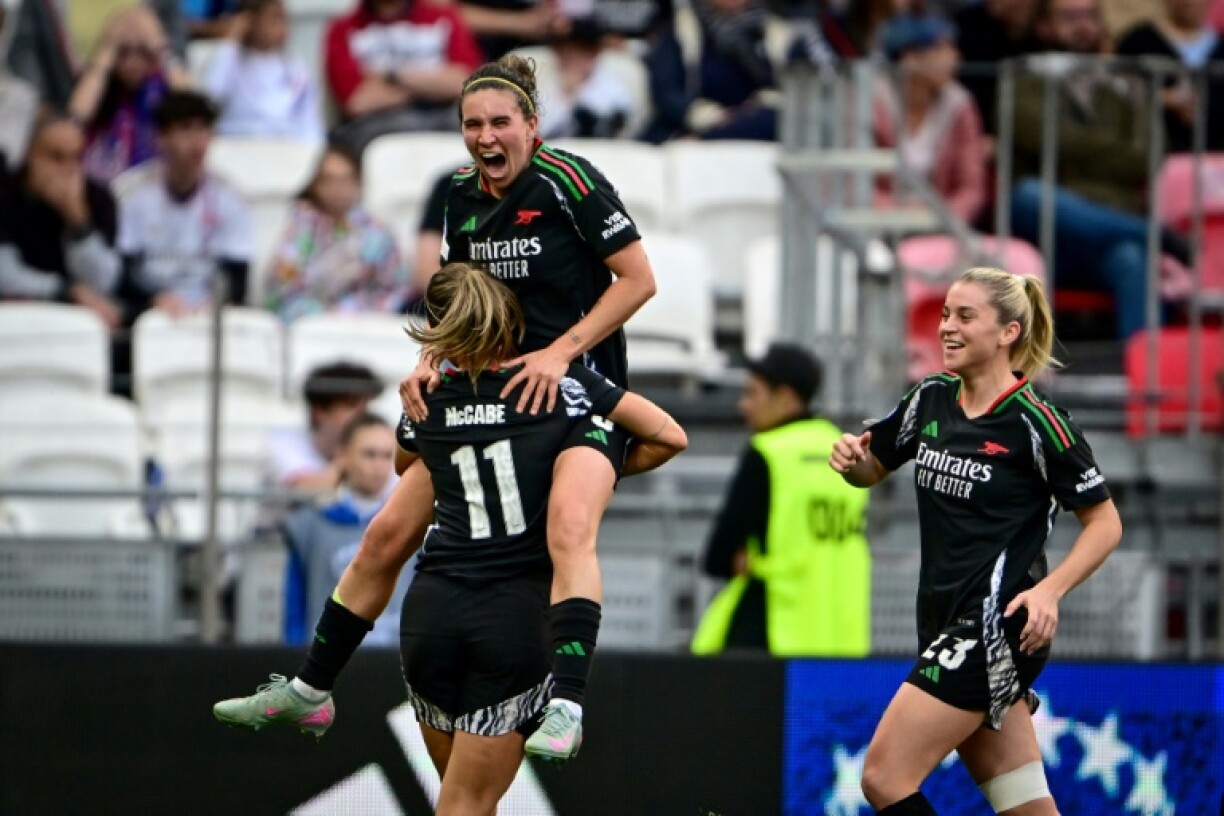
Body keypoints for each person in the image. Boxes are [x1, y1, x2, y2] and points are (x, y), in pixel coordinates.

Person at [212, 54, 658, 764]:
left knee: (569, 527)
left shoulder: (569, 180)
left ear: (532, 126)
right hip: (493, 394)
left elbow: (638, 280)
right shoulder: (458, 195)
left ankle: (568, 706)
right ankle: (312, 687)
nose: (486, 136)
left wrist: (559, 354)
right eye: (472, 124)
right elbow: (457, 300)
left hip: (575, 395)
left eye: (500, 122)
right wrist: (429, 362)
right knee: (386, 531)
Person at [217, 264, 685, 810]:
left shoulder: (429, 401)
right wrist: (591, 463)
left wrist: (432, 374)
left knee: (460, 802)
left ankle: (310, 687)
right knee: (465, 807)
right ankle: (568, 706)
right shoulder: (560, 392)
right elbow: (669, 435)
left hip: (430, 618)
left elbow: (402, 462)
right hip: (509, 619)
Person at [829, 267, 1122, 815]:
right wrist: (853, 462)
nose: (946, 327)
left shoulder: (1038, 423)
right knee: (1024, 805)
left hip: (993, 624)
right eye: (943, 314)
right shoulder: (930, 398)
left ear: (1008, 332)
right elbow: (873, 467)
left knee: (884, 777)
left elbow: (1105, 523)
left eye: (965, 316)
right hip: (942, 619)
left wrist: (1049, 592)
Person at [1009, 0, 1191, 340]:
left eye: (1090, 17)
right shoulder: (1022, 80)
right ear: (1044, 27)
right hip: (1046, 232)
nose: (1083, 27)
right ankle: (1153, 233)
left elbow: (1148, 156)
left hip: (1107, 231)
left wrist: (1078, 152)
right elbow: (1043, 138)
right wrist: (1108, 150)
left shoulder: (1127, 85)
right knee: (1028, 194)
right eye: (1070, 18)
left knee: (1132, 259)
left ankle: (1146, 383)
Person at [692, 343, 871, 656]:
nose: (743, 405)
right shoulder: (846, 450)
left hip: (774, 632)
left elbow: (717, 556)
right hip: (839, 635)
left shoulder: (768, 452)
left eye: (753, 393)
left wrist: (737, 558)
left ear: (786, 397)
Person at [115, 89, 251, 322]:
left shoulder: (231, 198)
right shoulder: (134, 196)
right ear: (162, 138)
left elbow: (238, 276)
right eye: (186, 129)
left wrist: (213, 304)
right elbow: (124, 275)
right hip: (151, 309)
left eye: (204, 130)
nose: (197, 141)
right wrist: (154, 299)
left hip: (209, 311)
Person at [281, 412, 405, 646]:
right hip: (326, 664)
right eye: (369, 454)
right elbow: (294, 609)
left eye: (387, 456)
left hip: (393, 666)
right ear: (343, 456)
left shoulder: (410, 524)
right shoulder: (309, 525)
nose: (378, 466)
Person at [0, 116, 122, 334]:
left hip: (82, 324)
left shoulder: (97, 198)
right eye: (57, 157)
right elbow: (6, 275)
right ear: (30, 154)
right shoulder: (6, 194)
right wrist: (67, 290)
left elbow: (103, 281)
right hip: (16, 320)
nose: (69, 169)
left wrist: (78, 221)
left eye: (77, 158)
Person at [265, 144, 409, 323]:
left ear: (359, 183)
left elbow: (394, 290)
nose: (337, 188)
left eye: (345, 180)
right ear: (316, 184)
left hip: (362, 324)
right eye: (329, 180)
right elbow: (281, 288)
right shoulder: (300, 227)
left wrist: (351, 313)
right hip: (305, 323)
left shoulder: (378, 234)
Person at [874, 14, 988, 227]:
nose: (955, 57)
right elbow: (851, 185)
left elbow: (972, 188)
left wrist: (942, 218)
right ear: (909, 58)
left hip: (942, 229)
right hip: (876, 227)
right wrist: (908, 215)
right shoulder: (871, 102)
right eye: (942, 49)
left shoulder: (961, 105)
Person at [324, 0, 483, 153]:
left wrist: (394, 76)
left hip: (444, 118)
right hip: (377, 127)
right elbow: (358, 102)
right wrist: (436, 85)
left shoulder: (443, 18)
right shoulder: (343, 28)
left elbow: (467, 84)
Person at [67, 6, 190, 183]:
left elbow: (192, 105)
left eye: (142, 52)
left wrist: (161, 48)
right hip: (105, 188)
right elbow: (76, 118)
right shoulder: (98, 86)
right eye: (123, 52)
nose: (132, 62)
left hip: (152, 188)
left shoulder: (162, 86)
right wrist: (108, 48)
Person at [642, 0, 790, 142]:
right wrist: (709, 116)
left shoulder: (775, 32)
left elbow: (787, 92)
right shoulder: (682, 27)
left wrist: (753, 110)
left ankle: (711, 138)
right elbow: (666, 91)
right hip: (691, 125)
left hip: (756, 125)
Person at [201, 0, 324, 143]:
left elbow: (310, 121)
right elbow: (211, 96)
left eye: (285, 18)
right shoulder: (231, 60)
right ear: (250, 22)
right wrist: (232, 39)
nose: (283, 26)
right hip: (238, 144)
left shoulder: (295, 67)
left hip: (287, 148)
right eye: (275, 18)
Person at [1116, 0, 1224, 152]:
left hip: (1214, 160)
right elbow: (1115, 94)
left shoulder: (1220, 48)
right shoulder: (1137, 43)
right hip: (1150, 157)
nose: (1190, 3)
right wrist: (1160, 98)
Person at [266, 362, 385, 492]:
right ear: (320, 411)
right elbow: (304, 489)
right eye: (352, 405)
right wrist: (348, 458)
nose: (363, 414)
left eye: (365, 406)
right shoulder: (285, 442)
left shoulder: (380, 446)